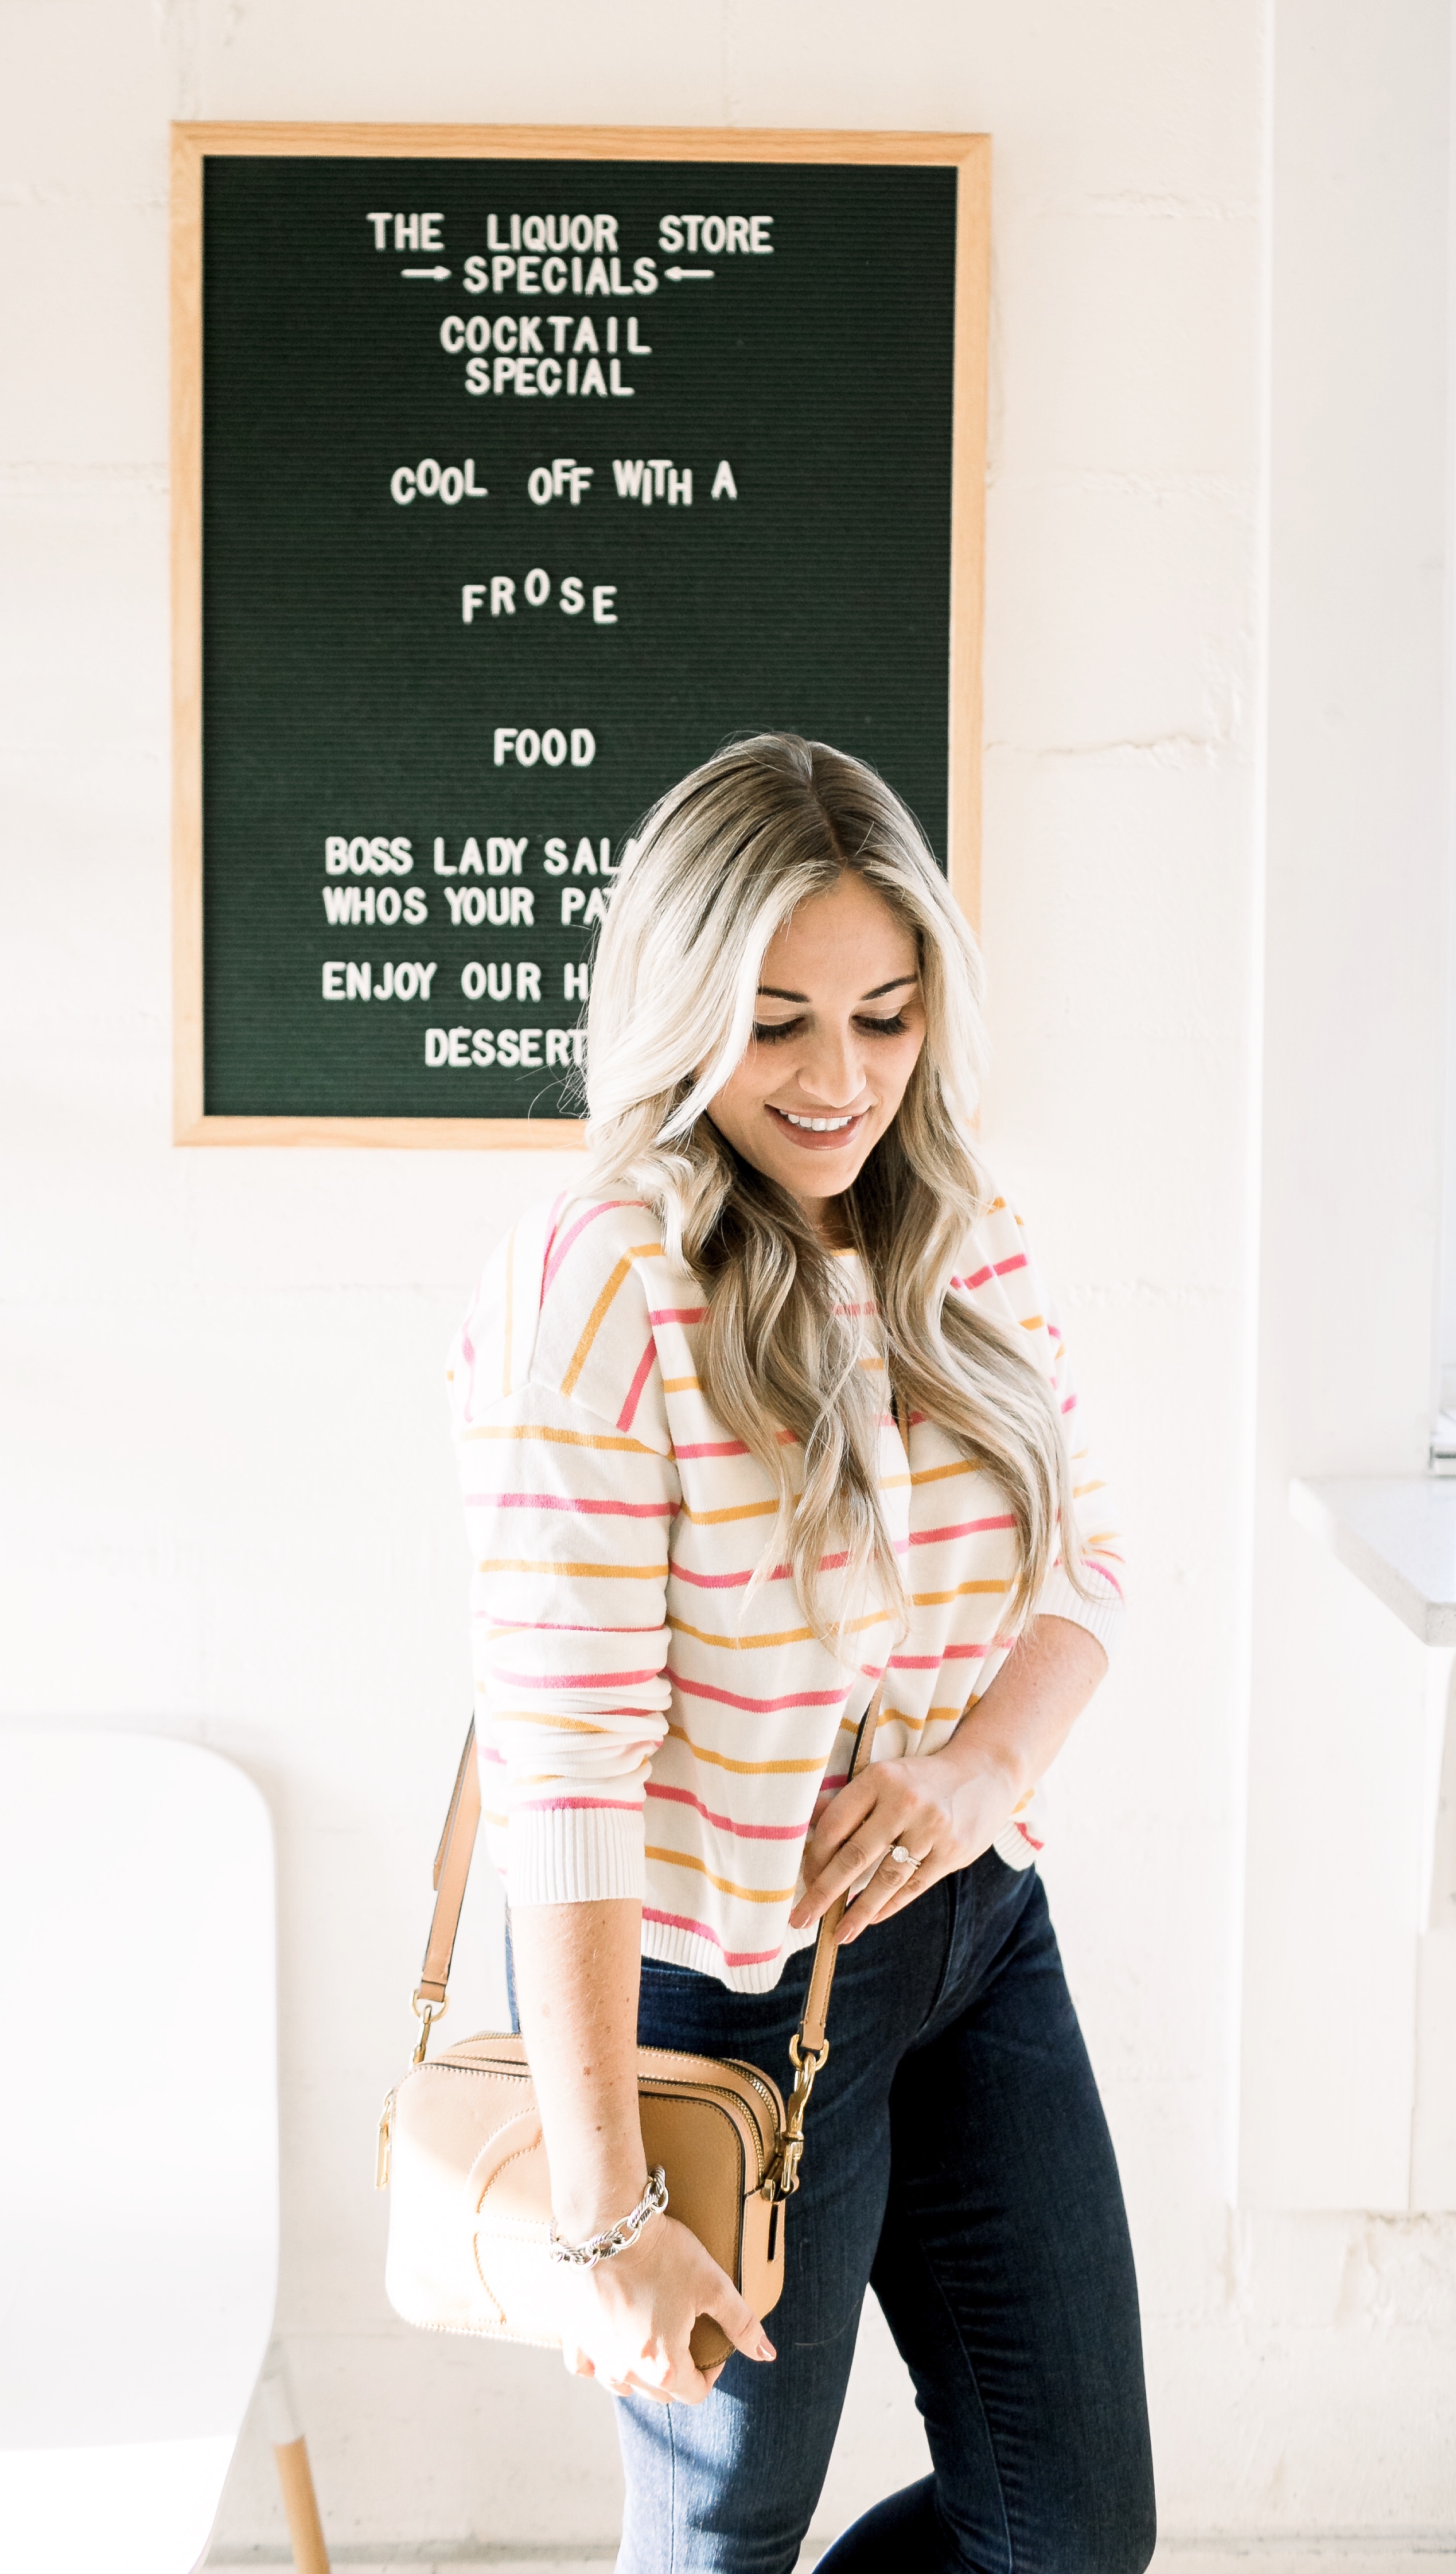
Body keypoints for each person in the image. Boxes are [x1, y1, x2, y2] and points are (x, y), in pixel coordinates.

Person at [449, 735, 1155, 2574]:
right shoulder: (606, 1272)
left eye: (886, 1015)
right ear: (681, 1008)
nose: (842, 1081)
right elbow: (567, 1767)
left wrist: (979, 1769)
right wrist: (604, 2215)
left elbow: (1092, 1560)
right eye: (776, 1025)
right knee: (726, 2535)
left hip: (972, 1930)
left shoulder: (958, 1226)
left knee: (1074, 2525)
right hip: (711, 1996)